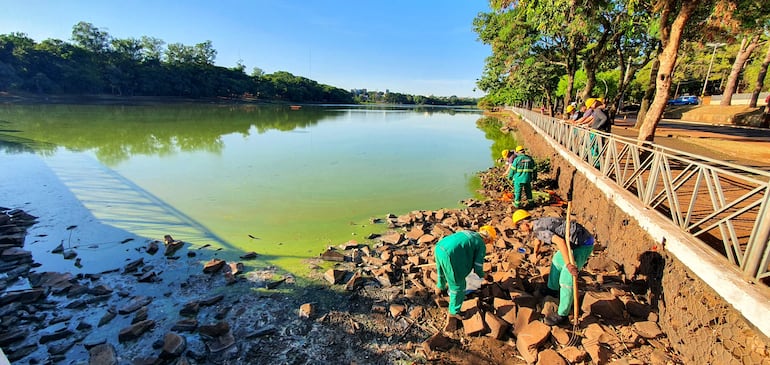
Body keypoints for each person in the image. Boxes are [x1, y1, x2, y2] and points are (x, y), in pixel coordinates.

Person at [512, 209, 595, 326]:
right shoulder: (537, 223)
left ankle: (563, 314)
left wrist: (569, 265)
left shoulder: (538, 228)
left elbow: (560, 242)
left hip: (582, 245)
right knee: (556, 261)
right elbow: (538, 240)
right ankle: (552, 289)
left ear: (524, 223)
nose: (519, 230)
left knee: (567, 279)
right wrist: (535, 253)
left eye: (518, 227)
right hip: (572, 243)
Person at [434, 226, 496, 326]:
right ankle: (454, 312)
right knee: (458, 285)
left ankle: (440, 288)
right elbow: (478, 267)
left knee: (441, 271)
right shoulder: (481, 244)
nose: (487, 244)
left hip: (439, 247)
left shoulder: (469, 233)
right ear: (487, 239)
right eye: (489, 242)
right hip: (449, 255)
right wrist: (484, 276)